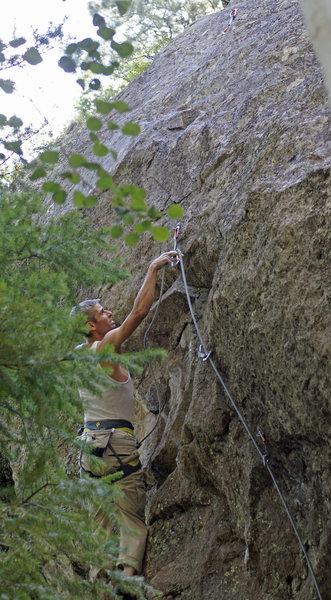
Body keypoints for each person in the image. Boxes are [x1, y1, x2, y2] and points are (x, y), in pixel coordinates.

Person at [72, 251, 178, 600]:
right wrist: (152, 268)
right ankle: (126, 584)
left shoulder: (78, 357)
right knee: (131, 521)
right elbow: (139, 313)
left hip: (88, 451)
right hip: (116, 444)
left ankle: (102, 592)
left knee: (102, 533)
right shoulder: (103, 349)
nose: (110, 313)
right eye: (103, 312)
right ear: (91, 326)